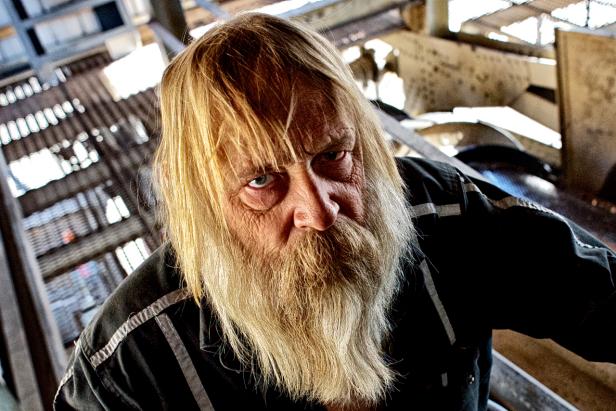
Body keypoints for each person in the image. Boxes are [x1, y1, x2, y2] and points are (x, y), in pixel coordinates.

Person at [54, 12, 616, 411]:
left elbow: (601, 298)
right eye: (261, 181)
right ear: (203, 203)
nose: (320, 212)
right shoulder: (133, 368)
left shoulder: (444, 215)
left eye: (332, 155)